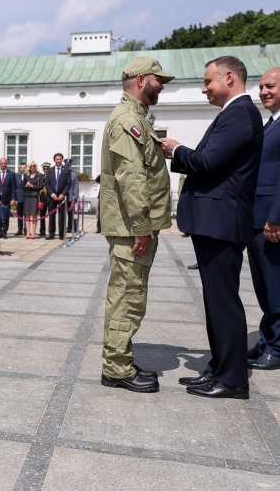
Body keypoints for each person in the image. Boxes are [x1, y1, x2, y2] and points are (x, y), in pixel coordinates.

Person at [162, 55, 263, 399]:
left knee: (223, 301)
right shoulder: (233, 113)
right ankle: (219, 368)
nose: (204, 88)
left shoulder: (240, 114)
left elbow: (207, 162)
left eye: (208, 81)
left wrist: (176, 151)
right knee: (215, 300)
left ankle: (233, 378)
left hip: (222, 221)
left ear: (230, 78)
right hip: (214, 220)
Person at [100, 56, 174, 394]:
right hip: (133, 229)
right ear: (141, 79)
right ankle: (117, 369)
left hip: (135, 227)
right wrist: (142, 226)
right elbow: (132, 179)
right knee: (127, 296)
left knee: (130, 294)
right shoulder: (128, 120)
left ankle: (121, 360)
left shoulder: (136, 119)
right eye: (159, 80)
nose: (161, 86)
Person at [245, 67, 280, 370]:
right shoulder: (271, 123)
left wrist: (276, 218)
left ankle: (278, 346)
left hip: (271, 221)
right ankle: (267, 338)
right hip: (257, 219)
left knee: (275, 285)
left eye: (270, 86)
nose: (264, 92)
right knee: (263, 285)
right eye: (261, 87)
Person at [45, 153, 70, 240]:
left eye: (60, 159)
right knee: (51, 215)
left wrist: (63, 194)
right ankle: (51, 233)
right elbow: (47, 183)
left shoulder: (66, 170)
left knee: (62, 216)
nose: (58, 161)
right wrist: (52, 194)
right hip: (52, 197)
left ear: (62, 160)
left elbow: (68, 183)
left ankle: (62, 234)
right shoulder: (50, 170)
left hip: (61, 197)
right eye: (57, 159)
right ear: (54, 160)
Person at [0, 157, 17, 239]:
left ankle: (4, 231)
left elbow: (13, 188)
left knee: (5, 216)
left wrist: (13, 199)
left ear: (7, 164)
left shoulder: (11, 174)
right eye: (1, 163)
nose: (3, 165)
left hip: (7, 199)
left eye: (4, 163)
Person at [22, 161, 44, 239]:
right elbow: (22, 186)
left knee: (34, 215)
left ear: (36, 167)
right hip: (27, 196)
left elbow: (41, 186)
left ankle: (33, 232)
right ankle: (28, 232)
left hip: (34, 196)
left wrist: (32, 186)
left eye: (34, 166)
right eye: (31, 166)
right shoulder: (26, 175)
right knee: (27, 215)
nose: (32, 167)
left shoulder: (39, 175)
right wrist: (26, 185)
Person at [64, 158, 79, 233]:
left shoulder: (73, 174)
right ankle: (62, 227)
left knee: (71, 214)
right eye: (66, 164)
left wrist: (75, 196)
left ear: (70, 165)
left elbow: (76, 186)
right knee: (63, 213)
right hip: (63, 195)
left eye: (69, 165)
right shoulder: (62, 172)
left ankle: (70, 227)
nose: (67, 166)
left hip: (70, 195)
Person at [38, 162, 51, 237]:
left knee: (50, 216)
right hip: (42, 198)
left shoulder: (51, 176)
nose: (46, 170)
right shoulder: (41, 177)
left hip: (49, 198)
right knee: (42, 216)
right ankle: (42, 231)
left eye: (47, 169)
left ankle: (50, 231)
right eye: (44, 169)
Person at [14, 162, 27, 236]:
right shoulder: (17, 177)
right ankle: (19, 229)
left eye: (24, 168)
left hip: (26, 198)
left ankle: (26, 229)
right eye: (21, 168)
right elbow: (15, 188)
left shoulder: (28, 176)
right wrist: (15, 199)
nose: (23, 169)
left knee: (26, 215)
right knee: (19, 215)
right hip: (19, 198)